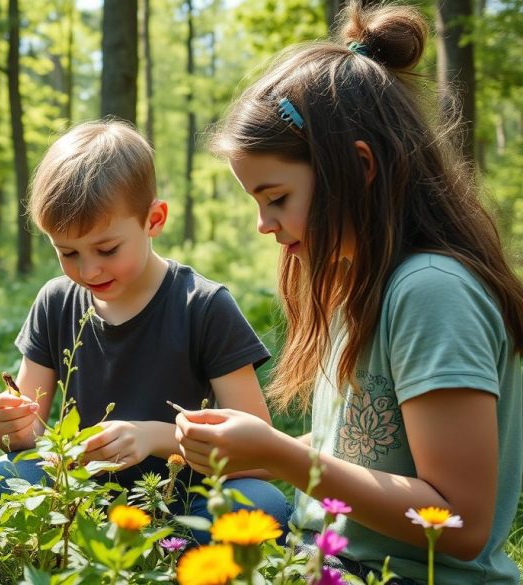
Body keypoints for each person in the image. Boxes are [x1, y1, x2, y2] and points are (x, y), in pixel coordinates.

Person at [175, 4, 523, 584]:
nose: (264, 224)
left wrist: (284, 456)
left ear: (359, 167)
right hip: (333, 563)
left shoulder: (430, 292)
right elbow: (363, 445)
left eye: (277, 197)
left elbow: (460, 524)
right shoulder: (357, 280)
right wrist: (260, 450)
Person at [0, 120, 289, 541]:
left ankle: (169, 552)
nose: (88, 270)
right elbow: (30, 435)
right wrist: (12, 427)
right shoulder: (56, 302)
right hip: (84, 499)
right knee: (3, 476)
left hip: (187, 503)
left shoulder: (203, 306)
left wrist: (156, 437)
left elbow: (263, 456)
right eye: (67, 252)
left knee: (261, 504)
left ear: (154, 219)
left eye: (107, 249)